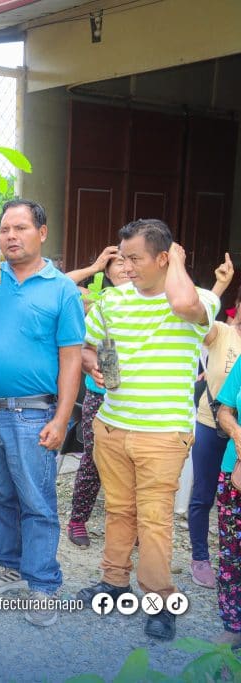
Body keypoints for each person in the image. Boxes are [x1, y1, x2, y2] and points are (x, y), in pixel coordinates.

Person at [0, 199, 84, 627]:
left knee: (37, 502)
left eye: (20, 228)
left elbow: (72, 359)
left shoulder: (60, 288)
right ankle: (9, 567)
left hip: (33, 415)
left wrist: (61, 419)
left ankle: (43, 586)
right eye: (5, 229)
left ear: (41, 233)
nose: (10, 236)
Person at [76, 220, 218, 641]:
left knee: (154, 520)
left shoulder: (199, 299)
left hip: (162, 434)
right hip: (113, 427)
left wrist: (177, 261)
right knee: (120, 512)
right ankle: (114, 583)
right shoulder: (113, 301)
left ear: (164, 257)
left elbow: (184, 302)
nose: (127, 267)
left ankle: (158, 599)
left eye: (136, 258)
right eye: (123, 258)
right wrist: (91, 363)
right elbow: (88, 345)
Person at [64, 248, 131, 547]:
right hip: (100, 394)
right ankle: (78, 519)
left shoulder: (152, 302)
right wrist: (94, 267)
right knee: (92, 459)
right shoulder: (95, 299)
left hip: (135, 398)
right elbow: (63, 284)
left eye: (130, 261)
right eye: (118, 263)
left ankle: (131, 524)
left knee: (133, 461)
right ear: (107, 270)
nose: (125, 268)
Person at [189, 257, 238, 587]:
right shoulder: (223, 331)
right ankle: (200, 557)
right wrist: (217, 285)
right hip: (211, 424)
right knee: (203, 494)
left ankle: (230, 562)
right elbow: (198, 321)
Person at [209, 364, 241, 648]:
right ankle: (233, 625)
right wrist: (237, 432)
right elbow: (224, 410)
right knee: (231, 554)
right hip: (235, 470)